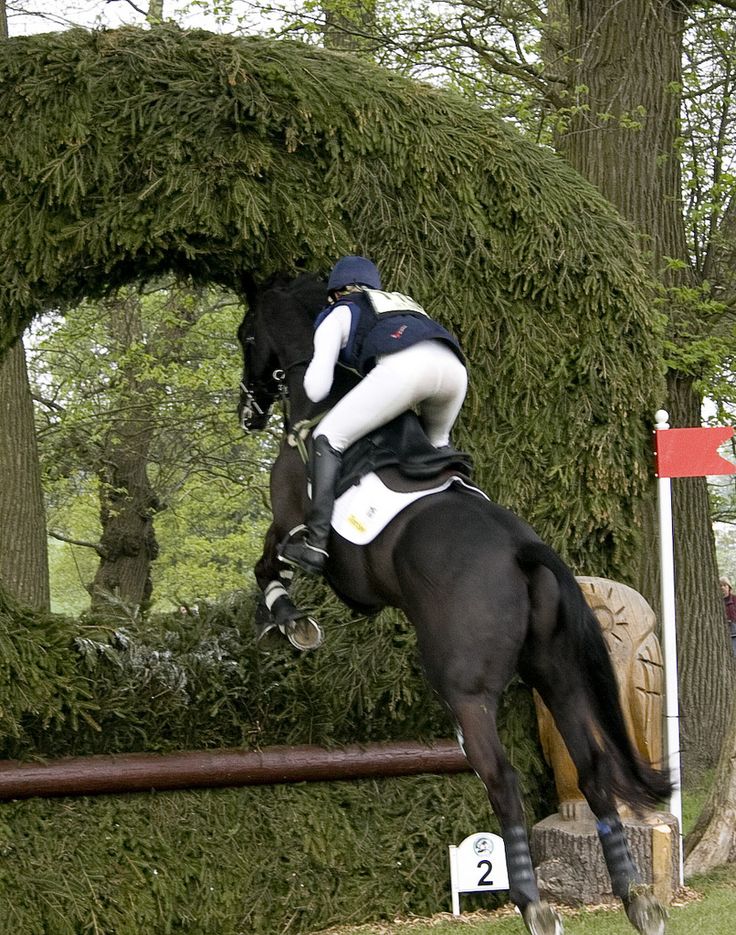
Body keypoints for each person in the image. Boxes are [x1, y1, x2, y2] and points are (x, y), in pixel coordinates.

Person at [280, 255, 468, 574]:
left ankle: (315, 544)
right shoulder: (400, 303)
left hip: (406, 370)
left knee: (327, 438)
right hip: (455, 372)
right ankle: (464, 510)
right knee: (438, 445)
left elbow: (316, 389)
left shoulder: (340, 311)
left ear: (335, 292)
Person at [720, 576, 736, 656]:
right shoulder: (715, 602)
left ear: (729, 587)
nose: (722, 588)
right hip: (721, 633)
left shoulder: (734, 599)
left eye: (725, 585)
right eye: (720, 586)